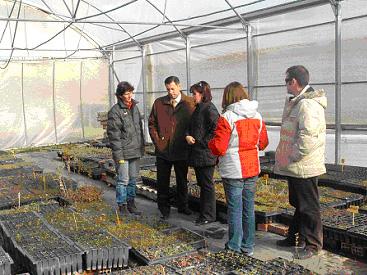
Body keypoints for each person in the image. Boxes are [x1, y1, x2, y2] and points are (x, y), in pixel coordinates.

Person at [208, 82, 268, 256]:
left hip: (234, 169)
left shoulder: (227, 117)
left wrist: (210, 143)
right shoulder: (257, 115)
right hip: (252, 168)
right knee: (248, 207)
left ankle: (234, 245)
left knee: (235, 208)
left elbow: (219, 147)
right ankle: (248, 246)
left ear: (227, 97)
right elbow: (263, 143)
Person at [274, 65, 326, 260]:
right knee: (298, 202)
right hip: (295, 165)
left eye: (286, 81)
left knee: (309, 206)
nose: (285, 86)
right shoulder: (297, 102)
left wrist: (291, 156)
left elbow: (308, 138)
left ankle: (313, 245)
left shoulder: (308, 105)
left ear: (293, 82)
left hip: (304, 165)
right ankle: (295, 237)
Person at [148, 76, 195, 220]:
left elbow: (195, 123)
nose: (170, 92)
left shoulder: (190, 103)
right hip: (163, 150)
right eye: (168, 89)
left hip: (182, 149)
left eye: (173, 89)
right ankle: (164, 209)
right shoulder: (159, 103)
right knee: (163, 181)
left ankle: (183, 206)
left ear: (179, 86)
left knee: (182, 179)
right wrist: (158, 141)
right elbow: (152, 124)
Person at [107, 81, 144, 216]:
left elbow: (139, 129)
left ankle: (131, 203)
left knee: (133, 179)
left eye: (130, 93)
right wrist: (119, 157)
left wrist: (141, 147)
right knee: (123, 180)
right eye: (126, 94)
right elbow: (114, 137)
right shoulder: (115, 112)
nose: (129, 96)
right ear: (120, 95)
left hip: (135, 150)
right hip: (123, 153)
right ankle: (122, 205)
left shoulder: (134, 108)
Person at [186, 81, 220, 225]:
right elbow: (191, 126)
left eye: (195, 94)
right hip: (198, 153)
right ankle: (204, 213)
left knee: (207, 185)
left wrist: (202, 142)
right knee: (203, 184)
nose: (193, 97)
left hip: (206, 154)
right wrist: (188, 135)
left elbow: (216, 129)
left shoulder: (210, 109)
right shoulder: (199, 108)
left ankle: (208, 215)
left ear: (203, 93)